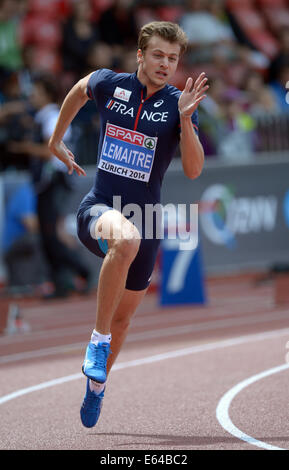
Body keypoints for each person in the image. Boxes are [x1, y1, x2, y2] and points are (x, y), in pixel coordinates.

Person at [48, 21, 208, 428]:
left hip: (147, 220)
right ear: (140, 54)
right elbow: (80, 88)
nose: (165, 64)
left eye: (172, 59)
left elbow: (193, 170)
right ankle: (96, 344)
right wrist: (56, 139)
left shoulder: (178, 103)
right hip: (99, 208)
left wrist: (187, 121)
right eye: (158, 55)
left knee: (124, 318)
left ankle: (96, 388)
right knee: (124, 236)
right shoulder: (110, 84)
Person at [9, 75, 92, 298]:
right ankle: (61, 281)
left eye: (35, 92)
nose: (31, 96)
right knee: (48, 235)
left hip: (53, 180)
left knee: (50, 234)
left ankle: (80, 272)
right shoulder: (44, 117)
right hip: (47, 182)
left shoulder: (52, 116)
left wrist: (24, 147)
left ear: (46, 94)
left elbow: (50, 151)